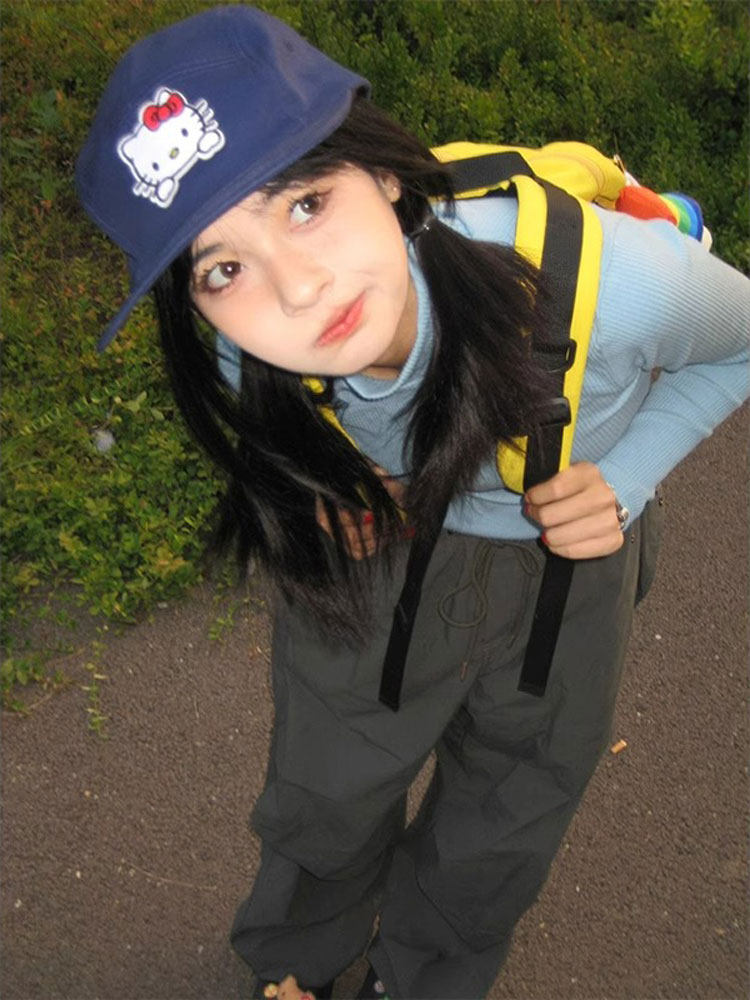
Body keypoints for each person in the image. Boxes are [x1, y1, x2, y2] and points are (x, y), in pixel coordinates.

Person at [76, 6, 749, 999]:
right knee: (326, 782)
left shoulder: (620, 286)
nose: (297, 291)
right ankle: (296, 963)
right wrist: (325, 487)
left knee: (509, 804)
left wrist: (629, 477)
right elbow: (280, 431)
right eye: (223, 267)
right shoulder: (243, 350)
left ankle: (423, 975)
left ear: (385, 173)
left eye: (305, 203)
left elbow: (740, 342)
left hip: (561, 576)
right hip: (378, 557)